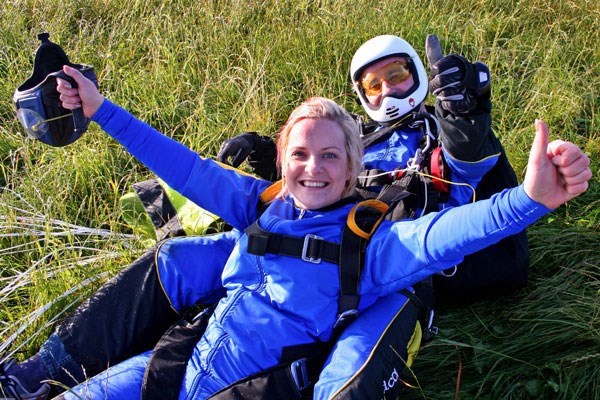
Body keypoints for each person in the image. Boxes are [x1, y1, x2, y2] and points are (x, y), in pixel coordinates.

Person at [0, 34, 520, 400]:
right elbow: (197, 172)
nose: (387, 93)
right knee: (177, 257)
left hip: (373, 266)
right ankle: (44, 372)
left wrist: (471, 125)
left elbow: (463, 194)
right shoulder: (347, 145)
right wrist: (101, 109)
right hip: (259, 276)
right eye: (373, 86)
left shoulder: (441, 133)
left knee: (349, 370)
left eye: (398, 75)